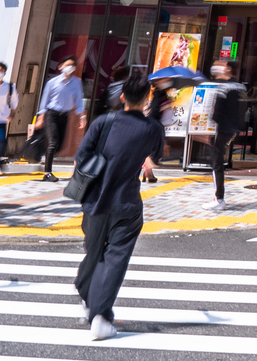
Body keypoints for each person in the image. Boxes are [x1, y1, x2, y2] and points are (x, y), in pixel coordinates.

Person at [73, 73, 165, 340]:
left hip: (95, 200)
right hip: (126, 202)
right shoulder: (153, 128)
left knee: (93, 252)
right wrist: (144, 160)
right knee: (115, 257)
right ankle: (100, 315)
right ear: (147, 99)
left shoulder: (103, 121)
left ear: (122, 97)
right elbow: (154, 158)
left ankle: (87, 297)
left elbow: (81, 157)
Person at [33, 57, 83, 181]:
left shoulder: (76, 82)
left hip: (65, 115)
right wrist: (41, 117)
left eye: (72, 65)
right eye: (67, 65)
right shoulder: (53, 82)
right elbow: (45, 100)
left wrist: (82, 116)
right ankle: (47, 173)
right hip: (52, 114)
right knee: (53, 143)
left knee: (59, 146)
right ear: (60, 66)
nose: (70, 67)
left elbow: (79, 100)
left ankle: (46, 154)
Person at [206, 63, 248, 208]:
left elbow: (217, 112)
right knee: (218, 161)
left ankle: (219, 199)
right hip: (231, 128)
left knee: (216, 163)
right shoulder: (238, 87)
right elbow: (241, 111)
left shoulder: (222, 88)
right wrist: (236, 129)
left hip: (221, 128)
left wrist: (210, 129)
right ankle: (219, 198)